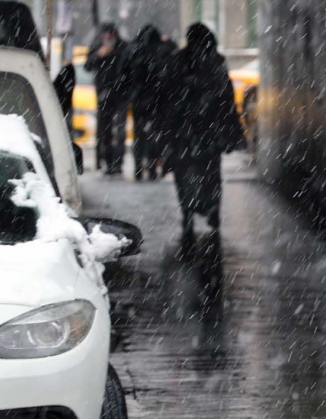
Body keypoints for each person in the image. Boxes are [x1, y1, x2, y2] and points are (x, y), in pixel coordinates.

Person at [166, 23, 245, 254]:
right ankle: (212, 212)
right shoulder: (215, 62)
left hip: (184, 131)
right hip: (209, 131)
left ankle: (188, 213)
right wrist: (231, 129)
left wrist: (169, 128)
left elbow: (169, 96)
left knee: (183, 174)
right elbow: (226, 97)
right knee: (211, 174)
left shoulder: (179, 60)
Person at [127, 25, 172, 181]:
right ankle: (153, 167)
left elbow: (127, 74)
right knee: (156, 134)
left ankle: (138, 167)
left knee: (139, 135)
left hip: (140, 99)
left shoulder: (135, 52)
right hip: (157, 99)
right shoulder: (162, 51)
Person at [85, 23, 129, 175]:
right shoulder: (97, 47)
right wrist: (100, 54)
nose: (108, 38)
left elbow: (128, 68)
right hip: (103, 93)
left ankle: (117, 162)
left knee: (120, 130)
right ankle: (107, 161)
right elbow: (88, 65)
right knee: (105, 130)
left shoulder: (123, 47)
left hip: (120, 94)